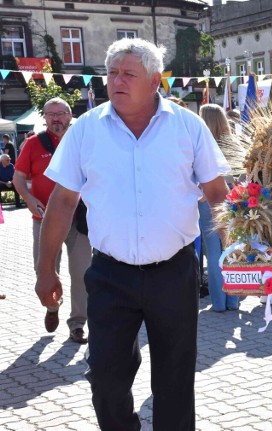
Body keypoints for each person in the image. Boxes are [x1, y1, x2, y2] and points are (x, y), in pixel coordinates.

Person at [34, 38, 230, 430]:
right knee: (105, 377)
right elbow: (61, 203)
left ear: (155, 81)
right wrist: (45, 269)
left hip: (174, 273)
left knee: (175, 381)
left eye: (128, 74)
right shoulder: (87, 130)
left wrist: (243, 256)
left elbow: (217, 195)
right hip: (110, 275)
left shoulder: (187, 127)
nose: (116, 81)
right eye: (111, 73)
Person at [13, 97, 90, 343]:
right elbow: (18, 178)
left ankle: (78, 324)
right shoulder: (34, 144)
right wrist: (28, 198)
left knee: (82, 273)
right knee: (43, 269)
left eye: (60, 113)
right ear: (44, 118)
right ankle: (53, 306)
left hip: (78, 220)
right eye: (50, 114)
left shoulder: (82, 140)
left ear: (70, 115)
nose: (56, 118)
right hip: (44, 218)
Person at [199, 103, 242, 311]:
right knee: (230, 247)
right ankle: (233, 298)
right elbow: (241, 175)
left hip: (206, 199)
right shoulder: (232, 143)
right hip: (231, 198)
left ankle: (218, 301)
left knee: (214, 251)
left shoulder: (201, 143)